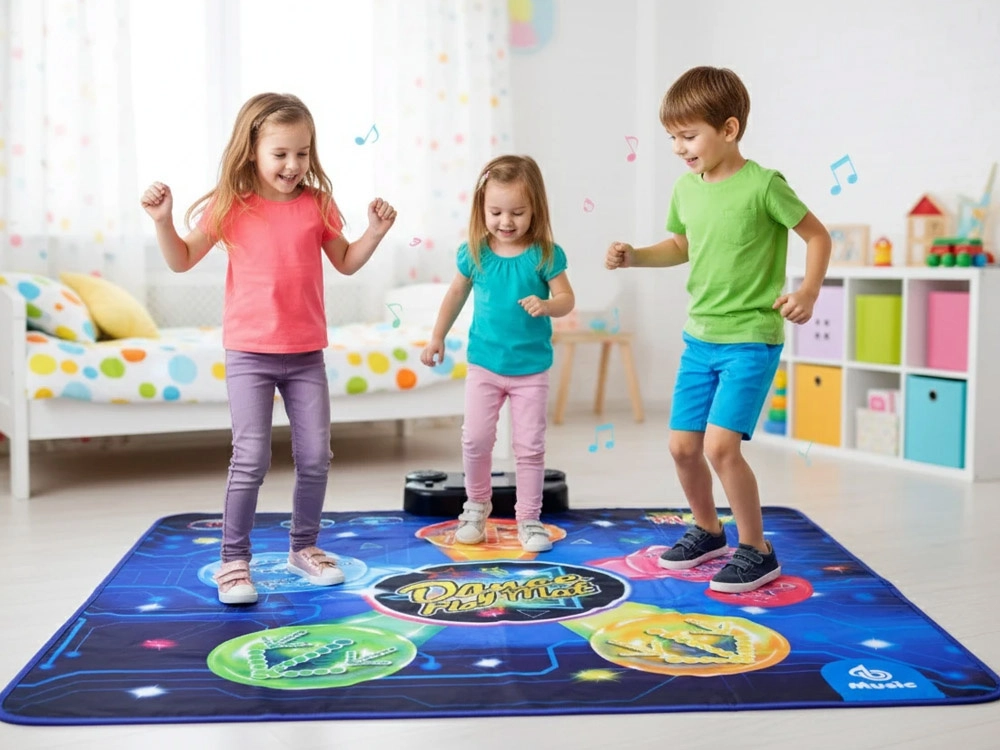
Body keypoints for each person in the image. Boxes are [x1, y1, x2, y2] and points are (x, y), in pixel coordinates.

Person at [140, 93, 397, 605]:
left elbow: (346, 262)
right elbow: (181, 260)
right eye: (280, 153)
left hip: (306, 354)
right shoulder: (231, 205)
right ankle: (233, 560)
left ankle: (304, 547)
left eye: (302, 153)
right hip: (249, 353)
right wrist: (163, 221)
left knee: (316, 456)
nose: (293, 164)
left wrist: (374, 233)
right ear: (252, 149)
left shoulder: (317, 204)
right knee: (251, 457)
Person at [605, 66, 831, 593]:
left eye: (688, 136)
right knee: (682, 448)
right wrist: (635, 255)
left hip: (750, 337)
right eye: (672, 138)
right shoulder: (687, 189)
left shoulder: (764, 185)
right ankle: (708, 530)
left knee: (721, 448)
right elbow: (680, 246)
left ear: (729, 129)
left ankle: (757, 550)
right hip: (700, 339)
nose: (679, 148)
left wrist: (807, 292)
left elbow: (818, 236)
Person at [420, 155, 575, 553]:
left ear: (534, 209)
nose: (506, 221)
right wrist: (437, 336)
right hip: (485, 365)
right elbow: (455, 294)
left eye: (517, 213)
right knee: (475, 439)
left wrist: (548, 305)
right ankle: (476, 506)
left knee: (529, 447)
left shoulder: (544, 254)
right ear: (482, 208)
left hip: (530, 370)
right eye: (496, 212)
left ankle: (529, 518)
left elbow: (567, 298)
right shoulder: (475, 253)